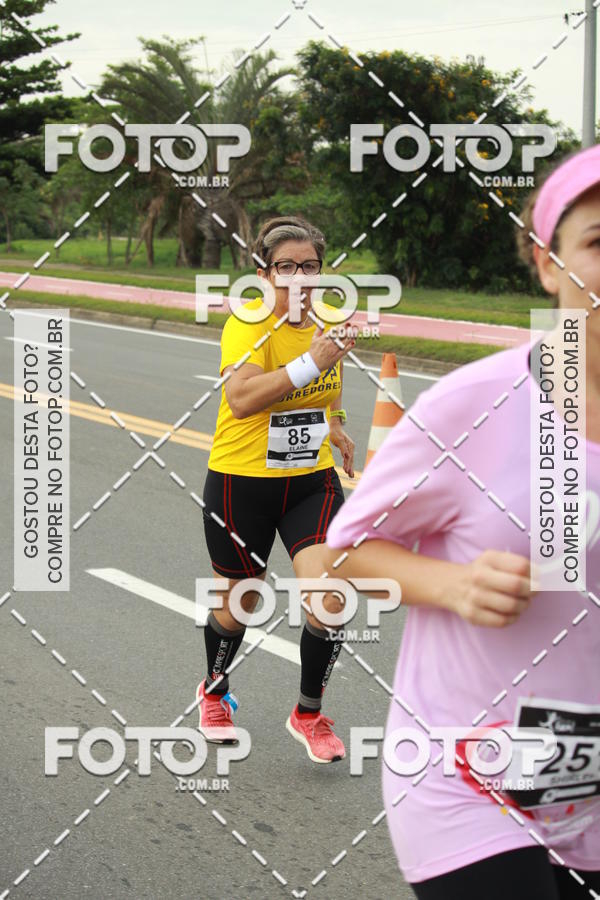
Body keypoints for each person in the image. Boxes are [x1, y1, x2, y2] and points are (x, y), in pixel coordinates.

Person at [324, 144, 600, 897]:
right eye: (599, 242)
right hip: (467, 781)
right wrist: (452, 585)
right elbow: (340, 559)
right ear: (549, 265)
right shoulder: (476, 403)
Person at [198, 215, 356, 763]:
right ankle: (214, 691)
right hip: (242, 482)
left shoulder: (328, 319)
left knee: (332, 598)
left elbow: (330, 382)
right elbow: (241, 399)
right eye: (285, 267)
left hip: (309, 482)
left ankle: (308, 713)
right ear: (264, 274)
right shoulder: (249, 324)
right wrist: (311, 359)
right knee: (239, 603)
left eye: (309, 267)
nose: (298, 278)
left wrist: (334, 425)